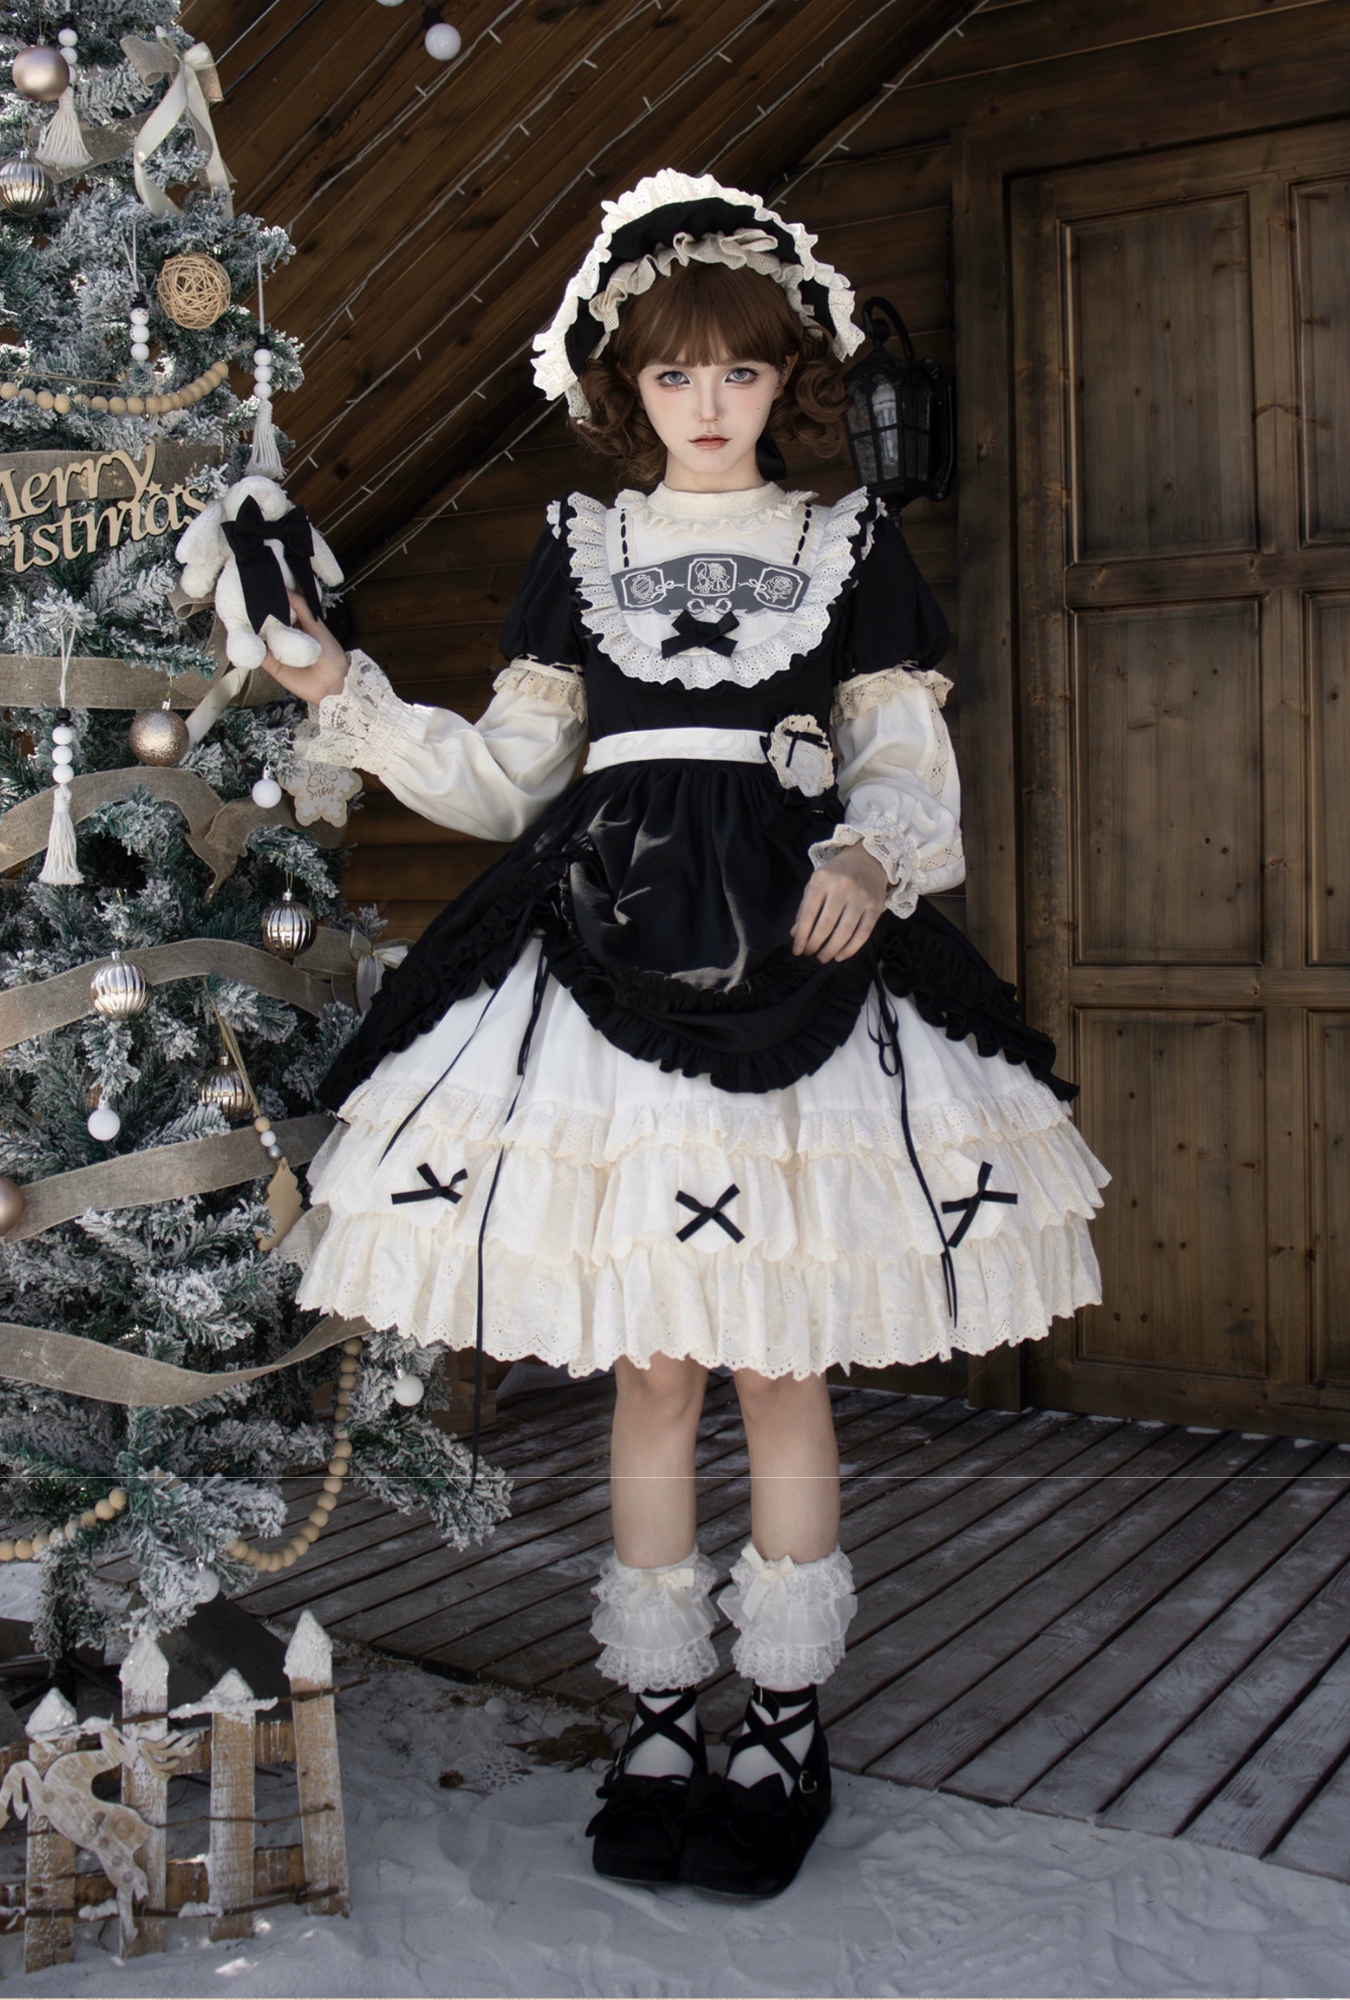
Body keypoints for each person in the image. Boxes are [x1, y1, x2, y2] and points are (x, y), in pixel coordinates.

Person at [263, 170, 1108, 1899]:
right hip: (598, 946)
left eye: (737, 370)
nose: (706, 402)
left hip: (800, 948)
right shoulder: (574, 548)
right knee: (651, 1366)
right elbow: (509, 779)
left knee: (780, 1362)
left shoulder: (846, 546)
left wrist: (871, 855)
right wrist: (341, 697)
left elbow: (903, 763)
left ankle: (782, 1721)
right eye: (671, 374)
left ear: (784, 377)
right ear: (623, 387)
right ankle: (657, 1720)